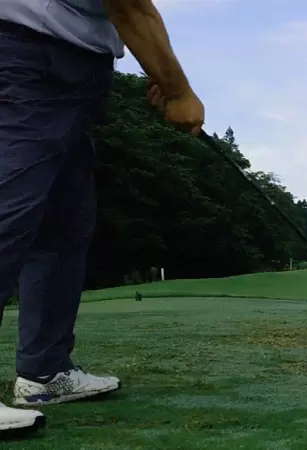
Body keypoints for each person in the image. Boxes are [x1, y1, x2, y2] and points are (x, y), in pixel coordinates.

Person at [0, 0, 205, 435]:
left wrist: (163, 72)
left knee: (63, 223)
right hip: (27, 58)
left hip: (68, 72)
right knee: (8, 212)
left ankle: (44, 373)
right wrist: (179, 90)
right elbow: (129, 6)